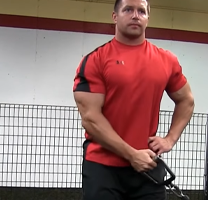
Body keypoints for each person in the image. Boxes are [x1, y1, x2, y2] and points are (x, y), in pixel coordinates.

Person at [71, 0, 195, 199]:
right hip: (103, 168)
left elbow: (186, 101)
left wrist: (169, 139)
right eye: (128, 9)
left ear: (148, 18)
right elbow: (91, 118)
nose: (135, 15)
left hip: (147, 166)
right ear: (115, 16)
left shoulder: (166, 60)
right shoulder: (95, 60)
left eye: (141, 11)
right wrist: (131, 154)